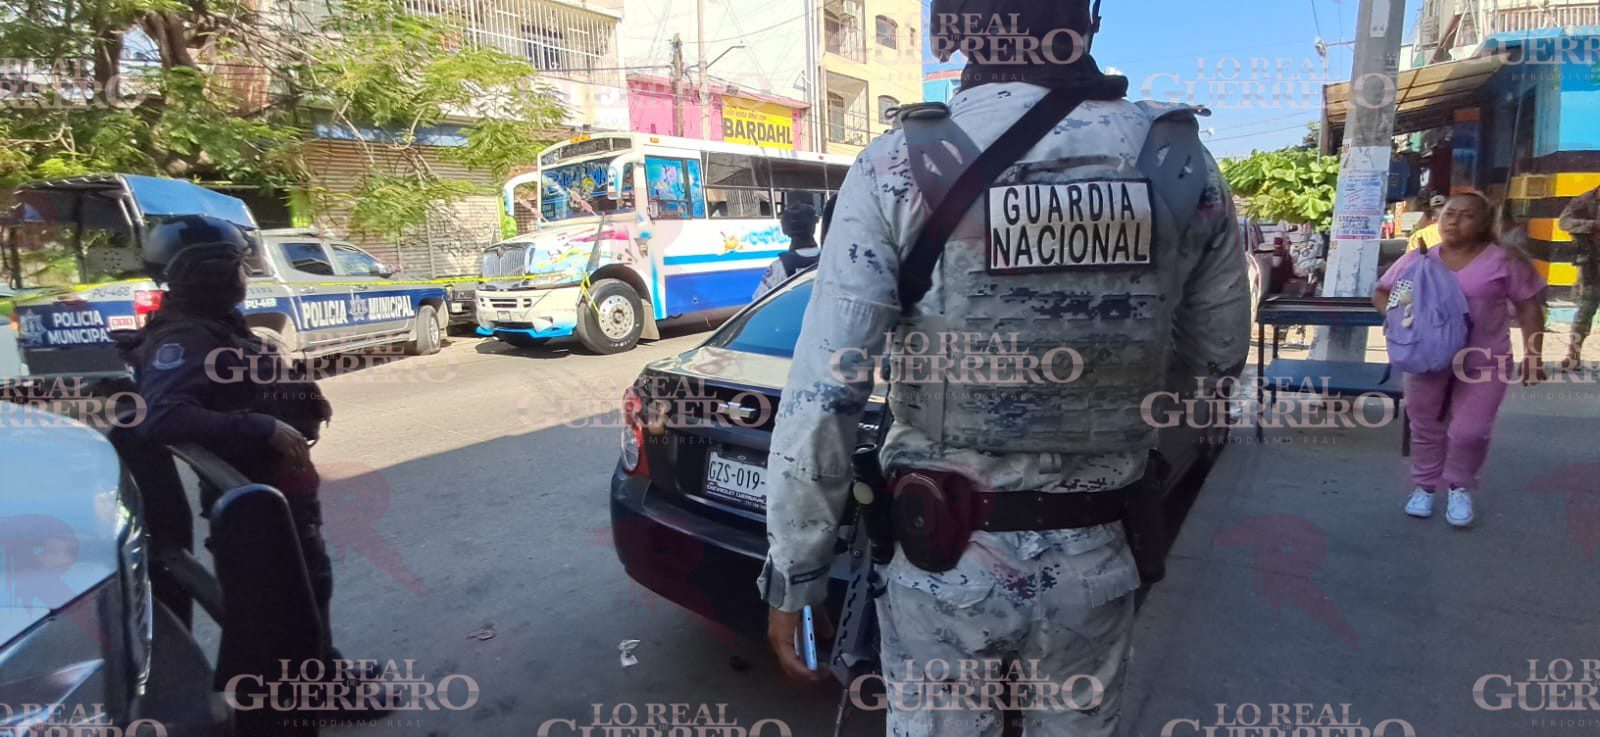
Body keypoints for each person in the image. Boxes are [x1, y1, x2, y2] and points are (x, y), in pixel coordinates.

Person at [756, 2, 1250, 734]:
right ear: (1085, 25)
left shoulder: (895, 163)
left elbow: (829, 386)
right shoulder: (1178, 160)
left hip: (941, 559)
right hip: (1099, 555)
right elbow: (1216, 359)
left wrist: (794, 572)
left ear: (955, 33)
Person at [120, 215, 341, 656]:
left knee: (308, 587)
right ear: (214, 274)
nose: (244, 277)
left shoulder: (215, 323)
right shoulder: (185, 337)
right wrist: (262, 427)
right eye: (238, 267)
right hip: (254, 500)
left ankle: (326, 673)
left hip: (275, 490)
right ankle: (314, 694)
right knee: (287, 601)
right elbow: (161, 415)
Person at [1374, 192, 1547, 528]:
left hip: (1484, 362)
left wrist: (1534, 355)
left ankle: (1458, 486)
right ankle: (1424, 486)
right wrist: (1401, 316)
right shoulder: (1419, 259)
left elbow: (1529, 307)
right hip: (1426, 359)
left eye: (1465, 215)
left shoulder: (1503, 260)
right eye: (1449, 214)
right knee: (1425, 427)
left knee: (1471, 432)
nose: (1453, 221)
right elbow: (1384, 293)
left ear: (1483, 223)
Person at [1557, 184, 1600, 368]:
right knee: (1584, 311)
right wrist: (1592, 226)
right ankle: (1573, 355)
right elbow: (1564, 222)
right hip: (1591, 264)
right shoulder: (1585, 200)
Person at [752, 203, 820, 299]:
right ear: (814, 226)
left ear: (784, 229)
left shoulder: (778, 267)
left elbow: (759, 301)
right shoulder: (830, 261)